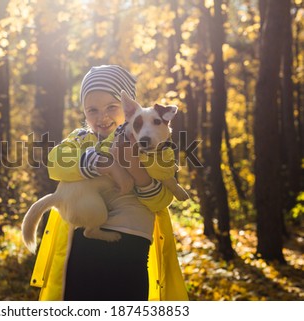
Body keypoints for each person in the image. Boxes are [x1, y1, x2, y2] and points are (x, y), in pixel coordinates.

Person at [29, 65, 188, 301]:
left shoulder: (152, 142)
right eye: (92, 110)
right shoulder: (82, 139)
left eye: (111, 107)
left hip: (133, 242)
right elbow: (56, 162)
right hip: (84, 241)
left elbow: (161, 201)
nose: (102, 117)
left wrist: (135, 169)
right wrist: (106, 164)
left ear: (129, 108)